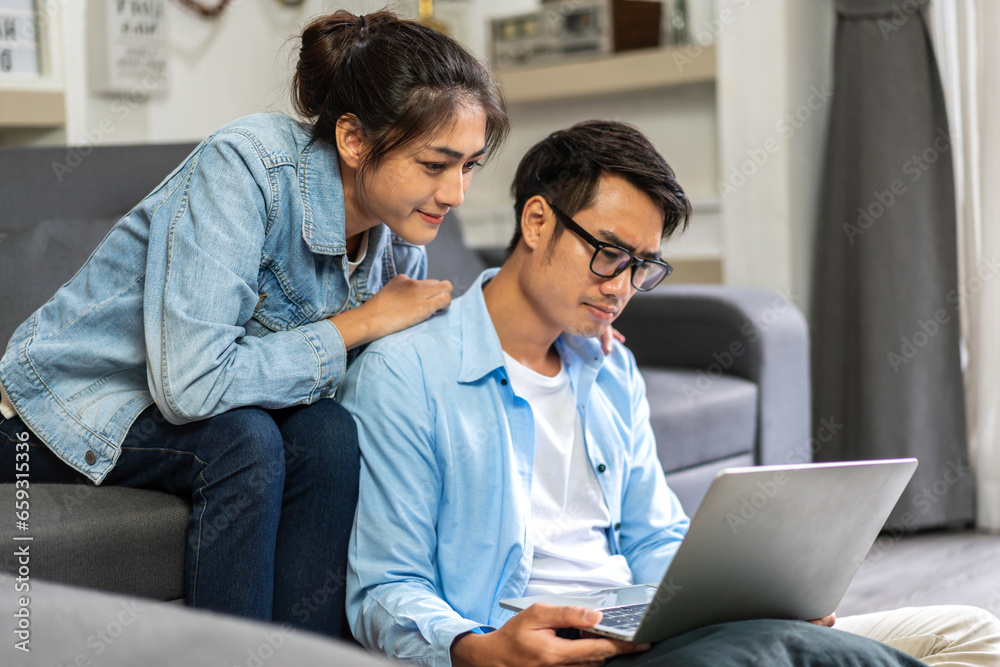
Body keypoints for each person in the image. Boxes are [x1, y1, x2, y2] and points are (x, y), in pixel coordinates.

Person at [339, 120, 1000, 665]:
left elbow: (655, 535)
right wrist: (479, 649)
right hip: (546, 652)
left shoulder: (609, 368)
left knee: (968, 631)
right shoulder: (408, 372)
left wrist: (743, 594)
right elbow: (384, 589)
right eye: (607, 251)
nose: (621, 286)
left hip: (655, 636)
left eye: (641, 265)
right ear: (537, 222)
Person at [0, 9, 508, 638]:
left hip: (190, 413)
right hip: (62, 408)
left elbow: (379, 388)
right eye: (436, 165)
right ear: (354, 140)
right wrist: (361, 323)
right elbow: (193, 386)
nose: (456, 193)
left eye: (469, 166)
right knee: (245, 443)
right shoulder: (245, 168)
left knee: (327, 432)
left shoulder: (398, 241)